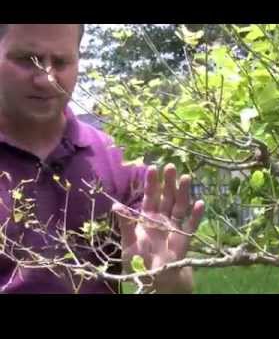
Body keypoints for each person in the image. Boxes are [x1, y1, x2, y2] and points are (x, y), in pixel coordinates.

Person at [0, 24, 204, 293]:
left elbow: (176, 287)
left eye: (61, 61)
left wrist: (165, 276)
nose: (46, 78)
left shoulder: (118, 161)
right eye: (28, 60)